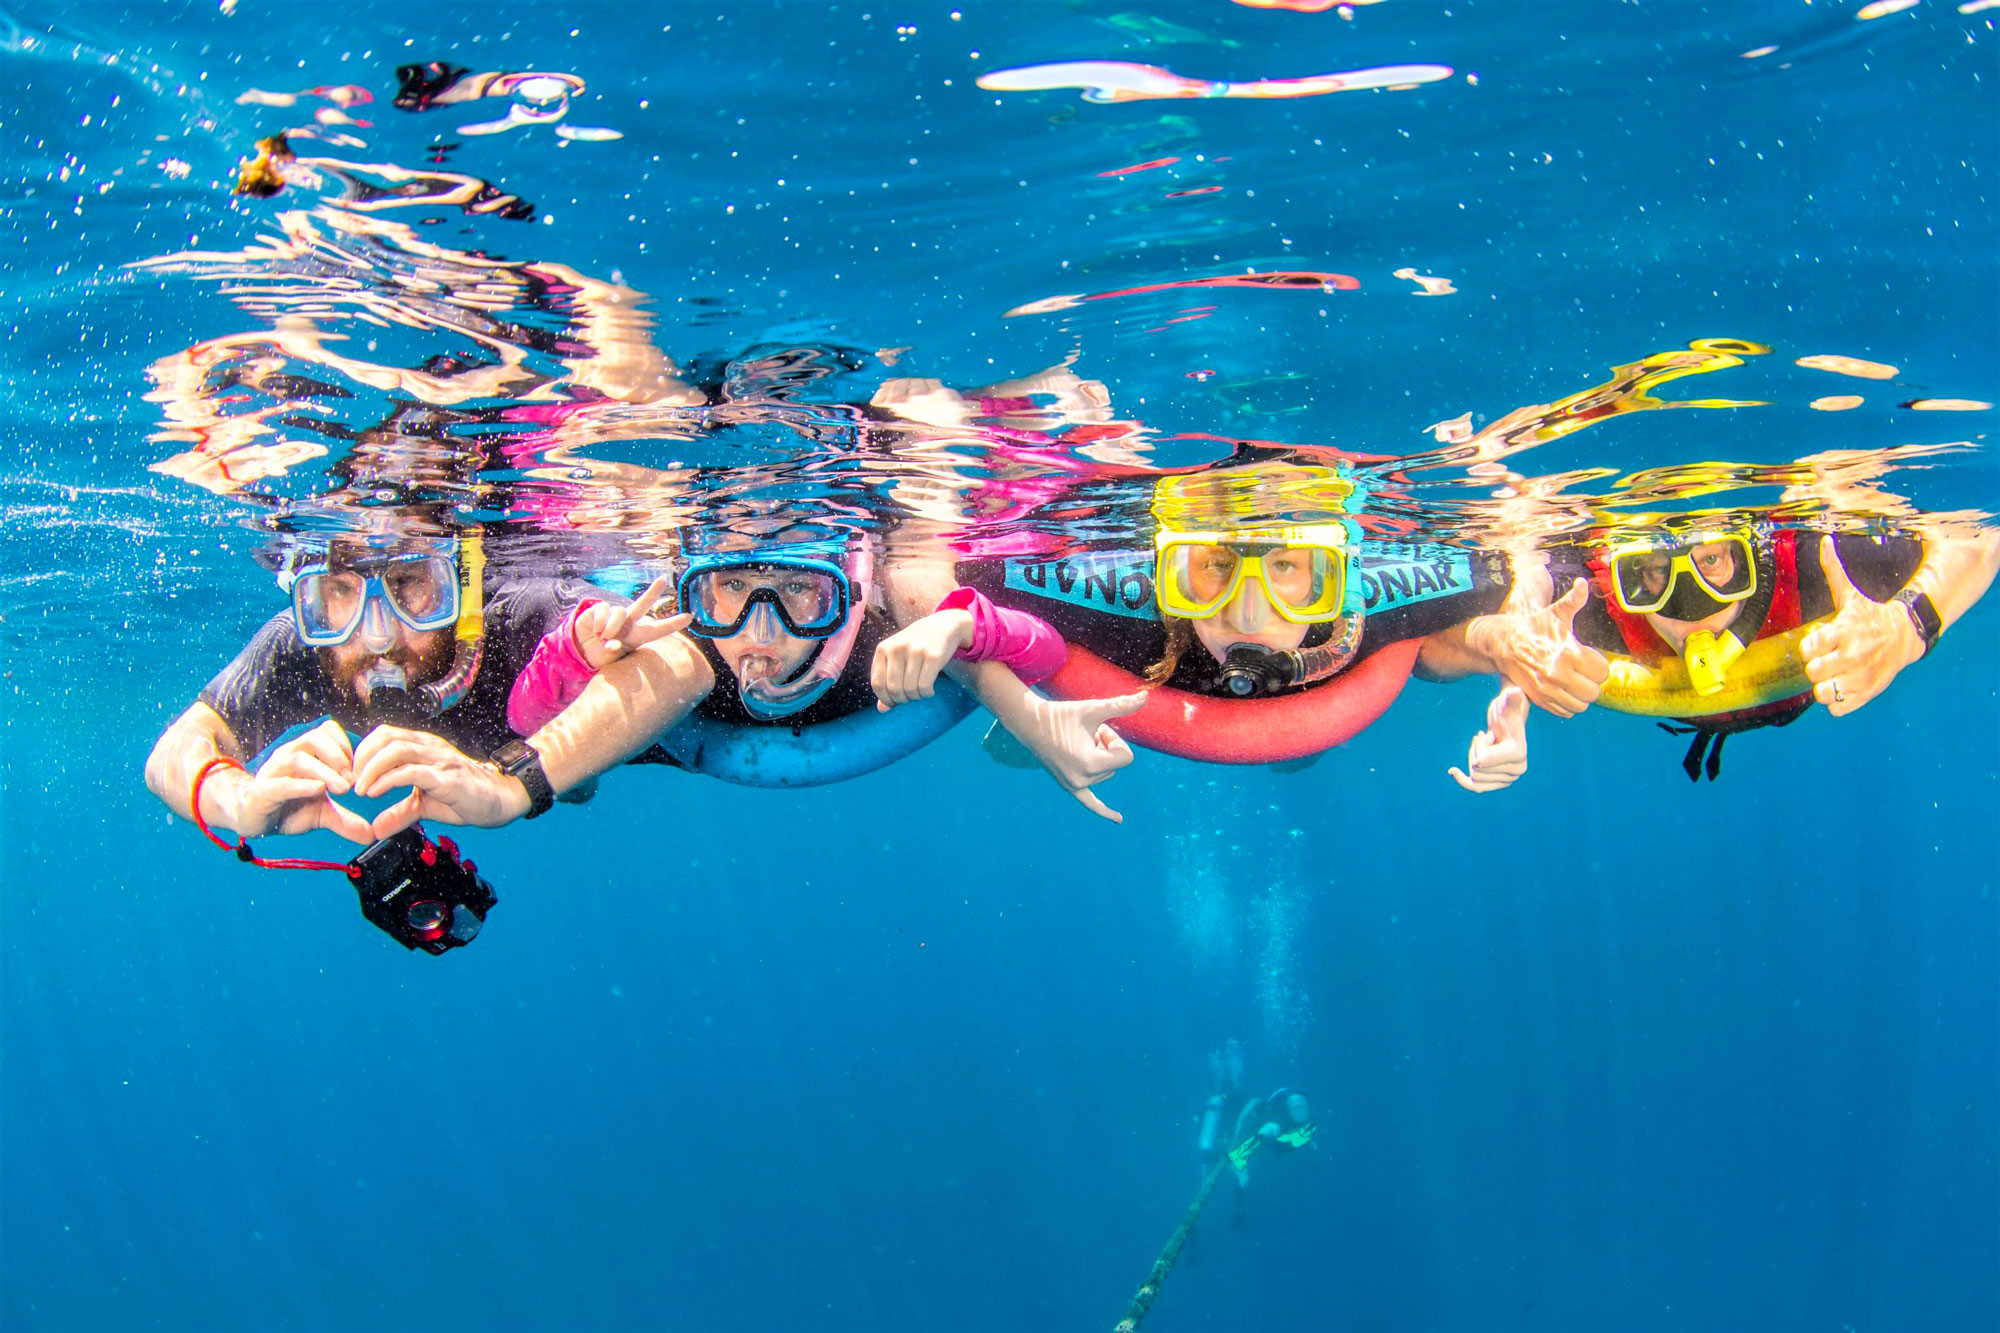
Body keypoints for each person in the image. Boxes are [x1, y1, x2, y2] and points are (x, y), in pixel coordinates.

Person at [144, 517, 709, 845]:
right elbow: (175, 750)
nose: (376, 636)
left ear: (456, 584)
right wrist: (235, 799)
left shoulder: (510, 613)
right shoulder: (311, 643)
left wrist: (514, 785)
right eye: (339, 591)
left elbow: (684, 664)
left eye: (408, 583)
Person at [503, 522, 1147, 804]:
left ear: (841, 595)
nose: (761, 633)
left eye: (796, 591)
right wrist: (578, 657)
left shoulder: (887, 632)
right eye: (730, 589)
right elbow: (524, 720)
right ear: (695, 591)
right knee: (583, 791)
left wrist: (1019, 702)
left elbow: (1049, 644)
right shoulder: (684, 645)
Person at [1550, 517, 2000, 779]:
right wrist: (1503, 649)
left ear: (1754, 557)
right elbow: (1504, 612)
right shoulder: (1589, 605)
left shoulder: (1825, 564)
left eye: (1713, 561)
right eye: (1651, 572)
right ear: (1623, 575)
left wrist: (1905, 628)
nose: (1691, 612)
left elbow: (1981, 541)